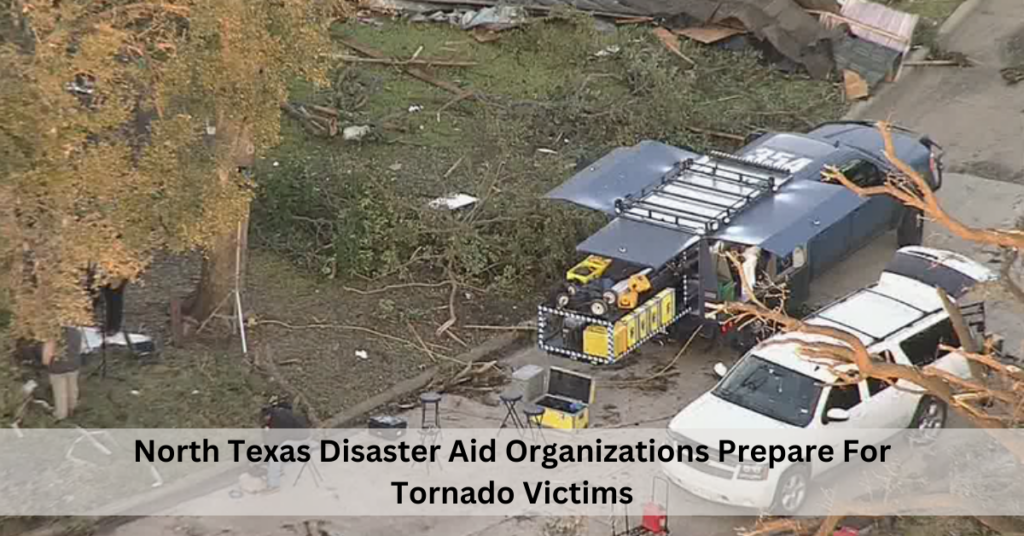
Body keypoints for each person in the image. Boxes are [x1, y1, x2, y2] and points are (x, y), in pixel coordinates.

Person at [261, 403, 311, 492]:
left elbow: (278, 439)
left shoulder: (279, 420)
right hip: (299, 434)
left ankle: (274, 485)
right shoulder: (278, 413)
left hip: (300, 439)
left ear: (268, 416)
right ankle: (277, 470)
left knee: (275, 455)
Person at [41, 327, 83, 421]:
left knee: (60, 392)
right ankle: (72, 408)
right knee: (73, 388)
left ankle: (61, 415)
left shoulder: (52, 335)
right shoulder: (77, 332)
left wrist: (46, 364)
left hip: (57, 368)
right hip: (73, 365)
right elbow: (79, 348)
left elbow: (46, 356)